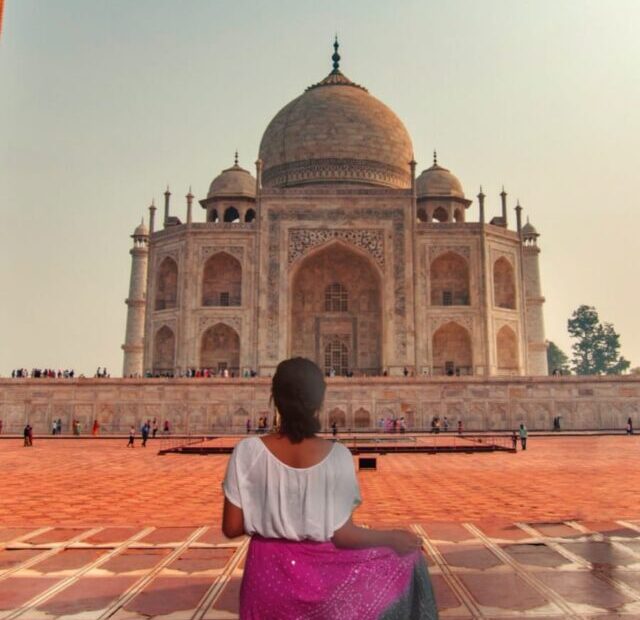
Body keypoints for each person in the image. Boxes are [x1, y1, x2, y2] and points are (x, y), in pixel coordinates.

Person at [221, 357, 437, 618]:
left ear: (274, 398)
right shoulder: (338, 456)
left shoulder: (247, 451)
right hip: (320, 576)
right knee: (407, 561)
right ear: (319, 402)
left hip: (265, 576)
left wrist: (270, 518)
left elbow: (231, 528)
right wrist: (391, 538)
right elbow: (343, 535)